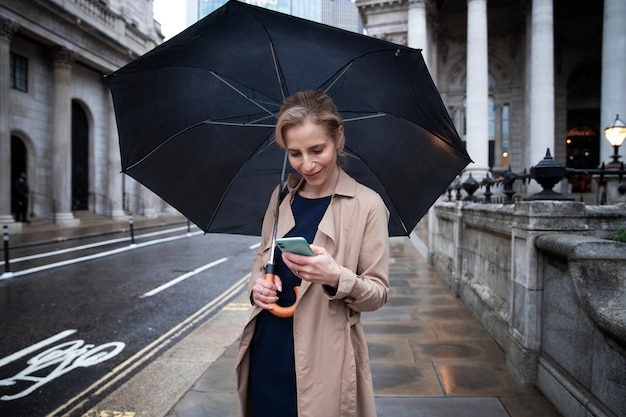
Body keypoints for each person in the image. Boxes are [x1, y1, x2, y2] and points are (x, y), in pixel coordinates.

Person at [236, 90, 390, 417]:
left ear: (339, 137)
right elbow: (262, 260)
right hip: (268, 349)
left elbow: (377, 294)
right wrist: (257, 288)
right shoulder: (280, 198)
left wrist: (336, 277)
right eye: (294, 153)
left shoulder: (368, 205)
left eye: (317, 149)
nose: (307, 164)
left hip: (325, 362)